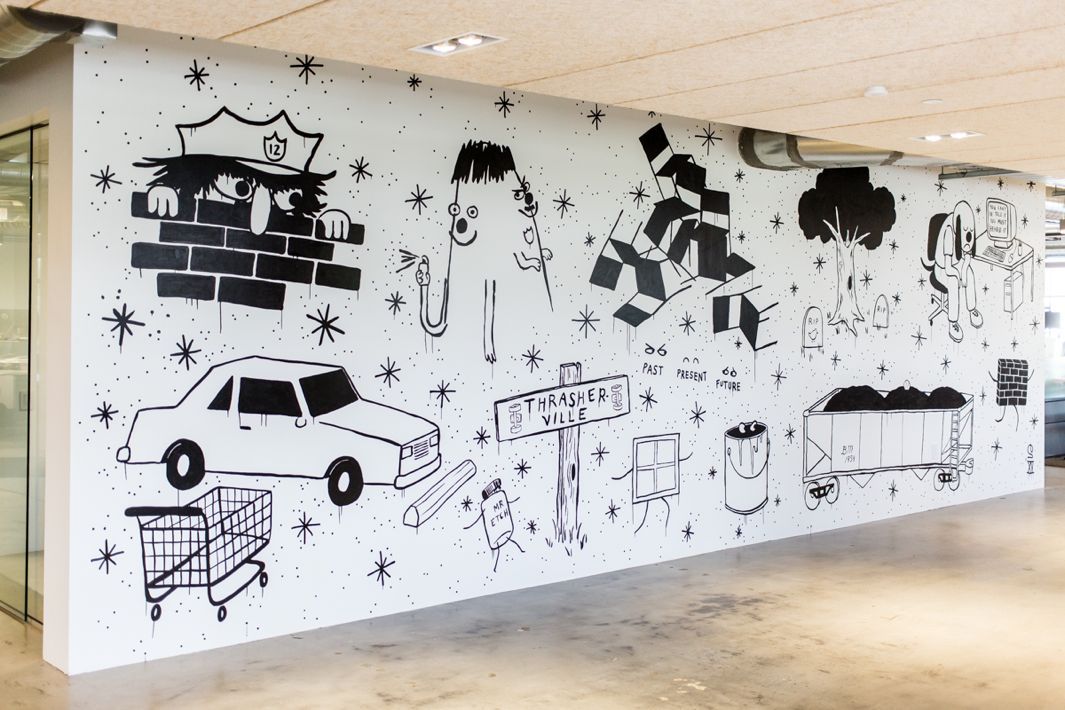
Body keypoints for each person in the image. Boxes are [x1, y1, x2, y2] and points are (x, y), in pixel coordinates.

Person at [924, 200, 983, 343]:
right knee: (953, 281)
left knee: (970, 273)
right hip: (942, 268)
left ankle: (972, 309)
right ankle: (953, 322)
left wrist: (964, 273)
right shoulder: (949, 232)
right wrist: (959, 277)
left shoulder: (965, 228)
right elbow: (948, 267)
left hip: (956, 264)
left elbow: (967, 257)